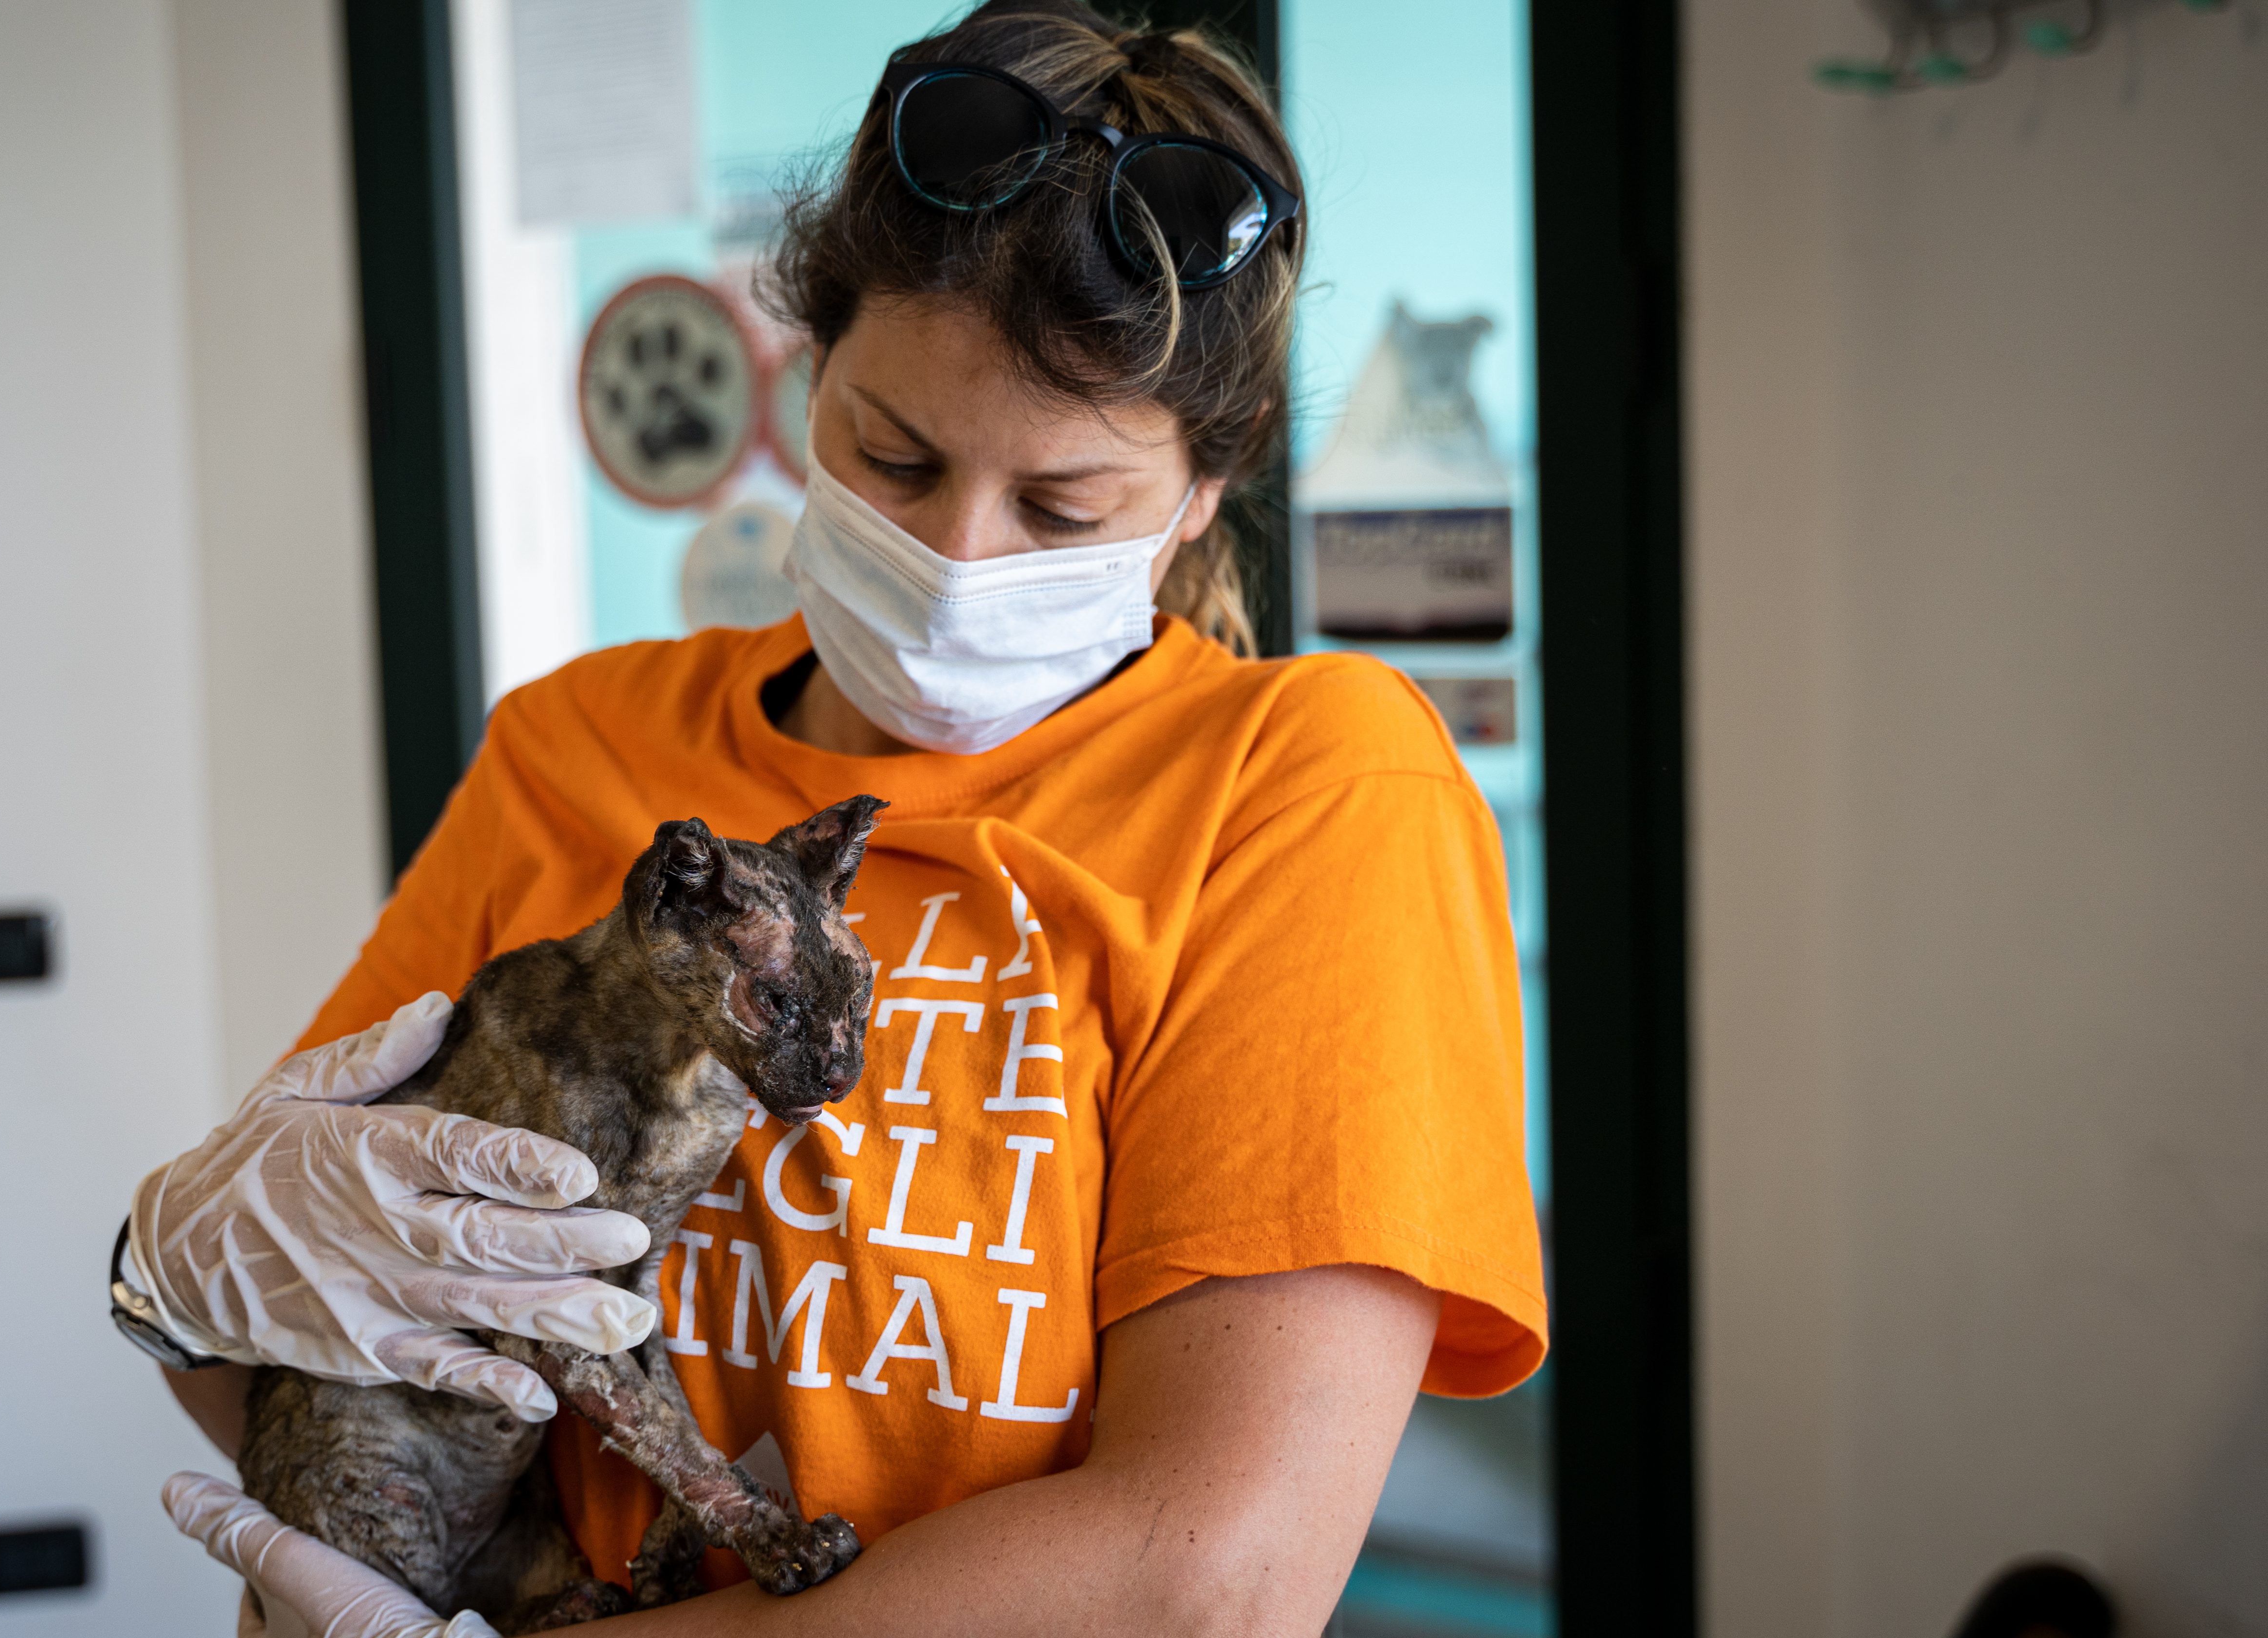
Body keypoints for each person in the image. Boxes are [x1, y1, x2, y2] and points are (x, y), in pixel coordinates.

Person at [111, 4, 1545, 1633]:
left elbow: (1208, 1578)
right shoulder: (582, 742)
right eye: (895, 454)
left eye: (1065, 507)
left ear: (1204, 493)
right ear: (811, 376)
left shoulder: (1298, 788)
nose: (962, 557)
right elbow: (314, 1347)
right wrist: (170, 1276)